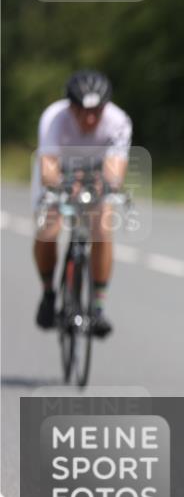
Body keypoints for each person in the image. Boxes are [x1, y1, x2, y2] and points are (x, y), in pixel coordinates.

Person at [32, 70, 132, 338]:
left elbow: (115, 172)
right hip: (60, 172)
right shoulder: (55, 119)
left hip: (95, 174)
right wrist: (63, 184)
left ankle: (98, 308)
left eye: (96, 112)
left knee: (102, 225)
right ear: (71, 107)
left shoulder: (118, 121)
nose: (90, 119)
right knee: (48, 229)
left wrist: (104, 185)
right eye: (82, 112)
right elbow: (48, 169)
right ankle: (48, 293)